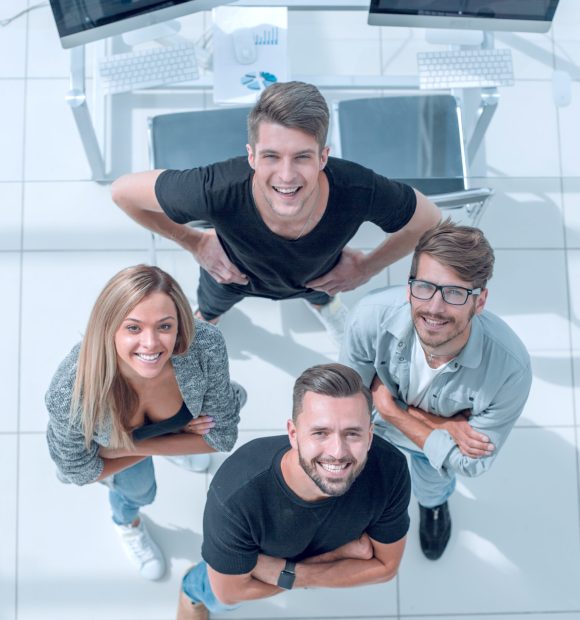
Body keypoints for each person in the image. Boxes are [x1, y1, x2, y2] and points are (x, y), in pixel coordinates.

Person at [111, 81, 440, 345]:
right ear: (251, 156)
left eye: (301, 157)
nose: (286, 176)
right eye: (271, 156)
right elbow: (123, 193)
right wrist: (192, 241)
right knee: (209, 309)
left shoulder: (358, 189)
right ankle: (208, 321)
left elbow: (428, 220)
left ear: (323, 157)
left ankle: (324, 305)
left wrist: (367, 268)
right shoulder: (213, 189)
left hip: (317, 275)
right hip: (232, 275)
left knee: (324, 293)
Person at [340, 219, 532, 560]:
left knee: (432, 483)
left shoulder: (509, 370)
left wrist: (391, 410)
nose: (434, 308)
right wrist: (443, 426)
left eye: (455, 293)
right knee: (356, 477)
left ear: (480, 300)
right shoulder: (369, 318)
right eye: (424, 287)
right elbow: (348, 406)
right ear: (409, 286)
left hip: (424, 449)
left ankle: (432, 505)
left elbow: (473, 464)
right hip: (387, 433)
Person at [45, 264, 245, 581]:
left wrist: (122, 449)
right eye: (134, 328)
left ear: (180, 325)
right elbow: (79, 471)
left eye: (164, 326)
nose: (151, 344)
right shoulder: (70, 391)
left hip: (122, 444)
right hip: (120, 440)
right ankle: (127, 522)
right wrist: (177, 440)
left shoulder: (205, 344)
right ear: (108, 328)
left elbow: (223, 437)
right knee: (140, 492)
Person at [175, 363, 411, 620]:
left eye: (352, 434)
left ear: (370, 436)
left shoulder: (390, 469)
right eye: (320, 433)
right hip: (252, 562)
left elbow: (386, 569)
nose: (337, 452)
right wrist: (339, 557)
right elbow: (230, 593)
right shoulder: (236, 497)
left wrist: (287, 573)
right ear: (293, 434)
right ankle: (190, 590)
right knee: (213, 597)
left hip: (267, 563)